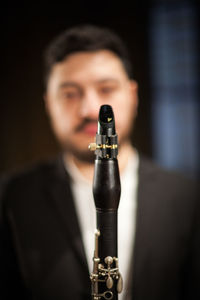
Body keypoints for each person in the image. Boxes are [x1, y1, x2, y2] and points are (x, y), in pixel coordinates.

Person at [0, 24, 199, 300]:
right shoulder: (10, 196)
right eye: (69, 93)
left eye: (106, 89)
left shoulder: (188, 197)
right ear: (48, 103)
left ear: (133, 95)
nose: (89, 109)